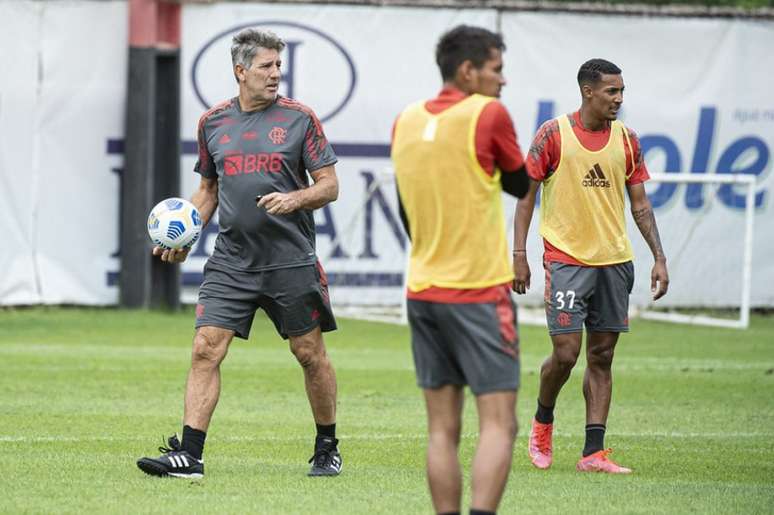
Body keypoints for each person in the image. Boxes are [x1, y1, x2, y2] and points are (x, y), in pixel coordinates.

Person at [136, 28, 342, 478]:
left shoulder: (300, 119)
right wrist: (183, 235)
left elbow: (330, 186)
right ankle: (190, 455)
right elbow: (208, 190)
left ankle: (327, 445)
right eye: (266, 66)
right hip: (232, 260)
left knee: (309, 353)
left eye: (278, 66)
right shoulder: (213, 123)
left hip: (290, 258)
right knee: (205, 348)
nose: (275, 75)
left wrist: (295, 199)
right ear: (240, 70)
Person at [392, 25, 529, 515]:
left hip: (422, 290)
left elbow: (406, 210)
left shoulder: (404, 120)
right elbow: (519, 181)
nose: (503, 80)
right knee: (499, 423)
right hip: (476, 291)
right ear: (468, 71)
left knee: (441, 429)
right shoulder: (487, 113)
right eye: (496, 69)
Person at [513, 58, 669, 474]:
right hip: (565, 260)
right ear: (588, 91)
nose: (618, 99)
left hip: (614, 262)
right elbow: (526, 197)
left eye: (622, 92)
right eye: (611, 91)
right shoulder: (553, 134)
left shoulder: (628, 139)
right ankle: (543, 420)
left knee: (602, 356)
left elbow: (640, 205)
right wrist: (519, 255)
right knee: (565, 353)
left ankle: (593, 453)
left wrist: (659, 256)